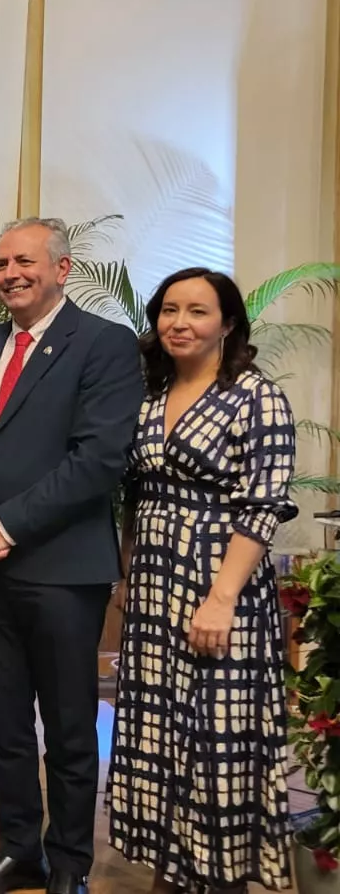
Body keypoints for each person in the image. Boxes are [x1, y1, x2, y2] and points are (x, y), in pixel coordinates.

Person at [0, 217, 144, 894]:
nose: (8, 275)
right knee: (0, 722)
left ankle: (70, 863)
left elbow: (100, 459)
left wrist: (8, 528)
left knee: (68, 728)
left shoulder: (105, 345)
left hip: (60, 569)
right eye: (1, 265)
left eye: (23, 262)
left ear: (61, 270)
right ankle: (18, 849)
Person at [108, 268, 297, 894]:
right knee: (159, 728)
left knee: (219, 731)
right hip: (155, 585)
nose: (179, 323)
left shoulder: (255, 395)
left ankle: (221, 874)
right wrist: (131, 571)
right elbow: (136, 494)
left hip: (222, 584)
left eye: (196, 311)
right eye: (169, 310)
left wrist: (221, 600)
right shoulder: (149, 394)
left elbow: (262, 505)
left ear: (228, 323)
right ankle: (174, 865)